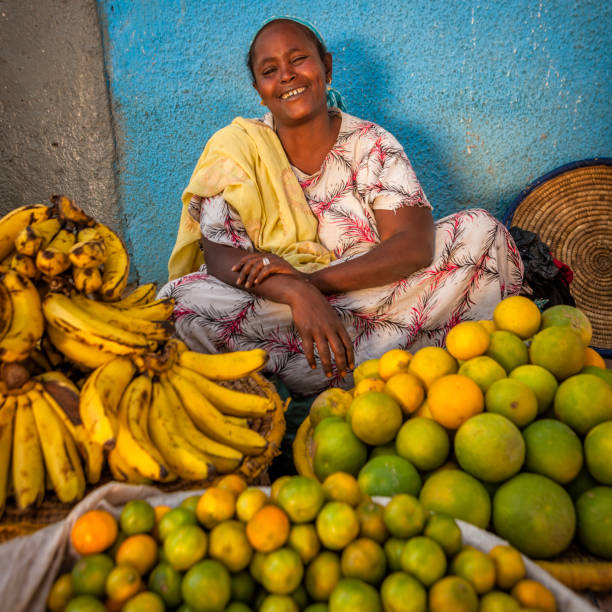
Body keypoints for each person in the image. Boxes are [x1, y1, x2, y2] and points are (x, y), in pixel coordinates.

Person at [159, 17, 523, 397]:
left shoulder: (370, 143)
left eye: (298, 59)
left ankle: (359, 368)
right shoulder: (237, 147)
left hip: (371, 293)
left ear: (326, 68)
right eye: (270, 70)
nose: (286, 75)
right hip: (281, 308)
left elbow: (413, 245)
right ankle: (372, 366)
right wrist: (294, 296)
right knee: (182, 301)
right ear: (259, 90)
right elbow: (220, 256)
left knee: (481, 232)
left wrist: (309, 288)